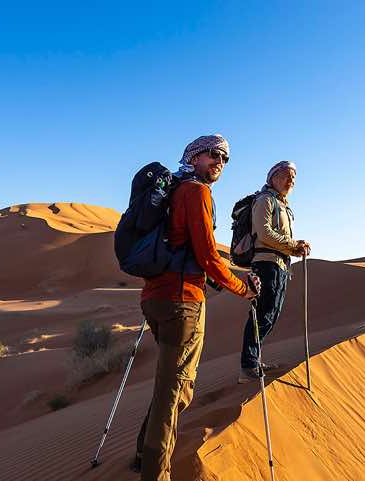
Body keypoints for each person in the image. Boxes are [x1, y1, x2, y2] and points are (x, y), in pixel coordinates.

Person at [134, 134, 261, 481]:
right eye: (214, 154)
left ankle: (140, 455)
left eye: (225, 158)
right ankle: (154, 473)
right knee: (176, 391)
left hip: (155, 299)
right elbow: (207, 256)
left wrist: (232, 275)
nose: (220, 162)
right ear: (194, 155)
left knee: (168, 385)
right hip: (183, 301)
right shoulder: (196, 192)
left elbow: (194, 250)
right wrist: (242, 288)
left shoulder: (172, 191)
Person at [238, 161, 310, 384]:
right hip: (265, 264)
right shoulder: (265, 200)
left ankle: (254, 361)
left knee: (271, 314)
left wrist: (295, 248)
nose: (291, 180)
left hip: (280, 265)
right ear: (272, 178)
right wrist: (293, 245)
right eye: (286, 175)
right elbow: (264, 233)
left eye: (294, 177)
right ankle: (248, 366)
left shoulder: (283, 206)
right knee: (263, 314)